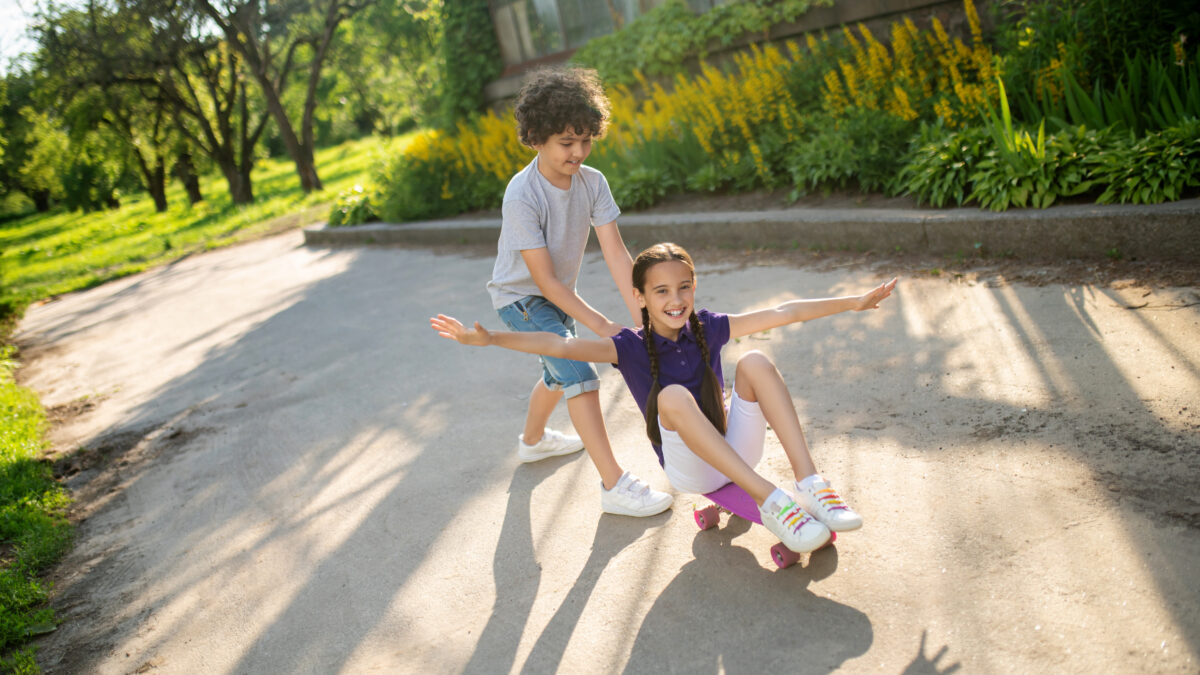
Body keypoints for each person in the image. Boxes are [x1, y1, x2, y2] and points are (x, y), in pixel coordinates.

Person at [432, 242, 897, 553]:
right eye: (661, 291)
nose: (675, 300)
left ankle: (810, 483)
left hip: (734, 448)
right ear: (640, 297)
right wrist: (491, 338)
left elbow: (783, 311)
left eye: (684, 287)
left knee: (754, 360)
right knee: (672, 396)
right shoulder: (629, 346)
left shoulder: (709, 326)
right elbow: (560, 346)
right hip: (689, 466)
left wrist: (853, 301)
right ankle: (773, 502)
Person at [486, 66, 672, 517]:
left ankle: (532, 442)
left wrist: (646, 315)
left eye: (586, 140)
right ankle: (614, 484)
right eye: (567, 142)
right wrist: (605, 326)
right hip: (522, 299)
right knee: (580, 374)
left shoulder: (593, 181)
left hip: (555, 296)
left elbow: (615, 252)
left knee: (556, 374)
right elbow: (544, 281)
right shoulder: (522, 194)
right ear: (535, 138)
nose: (579, 151)